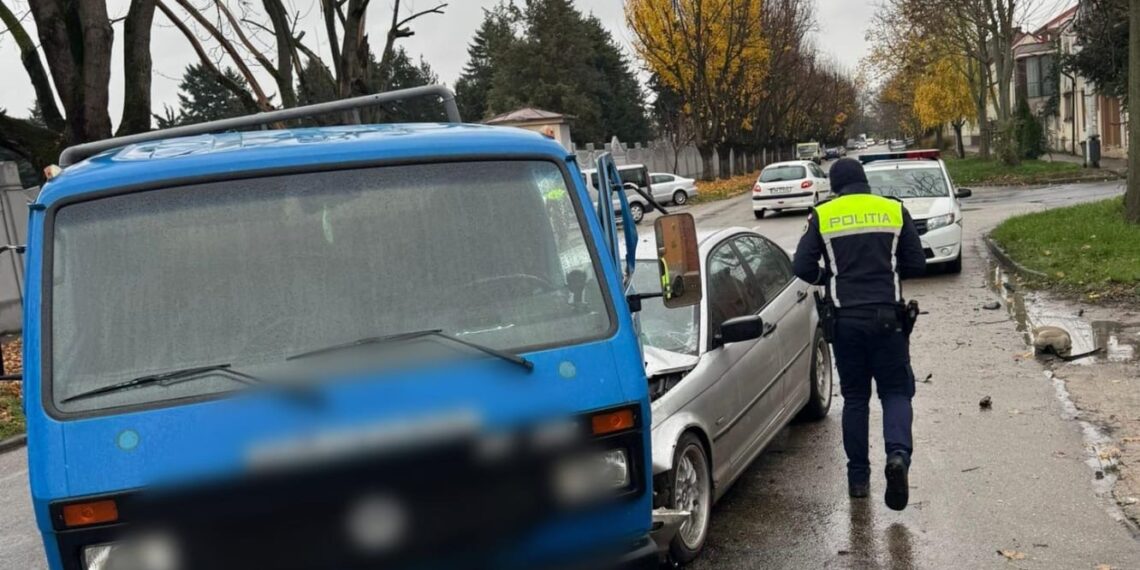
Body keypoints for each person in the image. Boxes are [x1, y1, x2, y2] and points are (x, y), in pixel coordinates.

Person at [792, 158, 926, 511]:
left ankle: (858, 480)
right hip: (888, 320)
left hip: (846, 322)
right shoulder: (893, 210)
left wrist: (829, 278)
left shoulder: (823, 215)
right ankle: (897, 457)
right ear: (865, 181)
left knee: (855, 399)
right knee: (896, 392)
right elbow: (916, 263)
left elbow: (801, 266)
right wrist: (888, 270)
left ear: (835, 186)